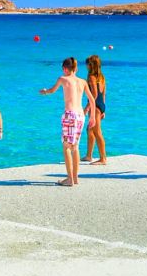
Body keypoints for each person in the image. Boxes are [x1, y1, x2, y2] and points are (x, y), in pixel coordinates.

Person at [40, 57, 96, 186]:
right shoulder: (83, 81)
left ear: (65, 69)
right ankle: (75, 178)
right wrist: (92, 117)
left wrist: (45, 92)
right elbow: (92, 100)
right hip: (81, 115)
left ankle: (69, 179)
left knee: (66, 147)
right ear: (75, 69)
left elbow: (52, 90)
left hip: (70, 115)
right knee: (75, 147)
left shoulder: (63, 79)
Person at [82, 55, 107, 164]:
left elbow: (94, 94)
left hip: (95, 105)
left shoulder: (91, 76)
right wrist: (104, 109)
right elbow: (104, 94)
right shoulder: (101, 76)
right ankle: (89, 155)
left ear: (90, 65)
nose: (86, 66)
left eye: (87, 64)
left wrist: (87, 108)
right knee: (90, 129)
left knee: (97, 132)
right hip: (100, 105)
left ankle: (103, 158)